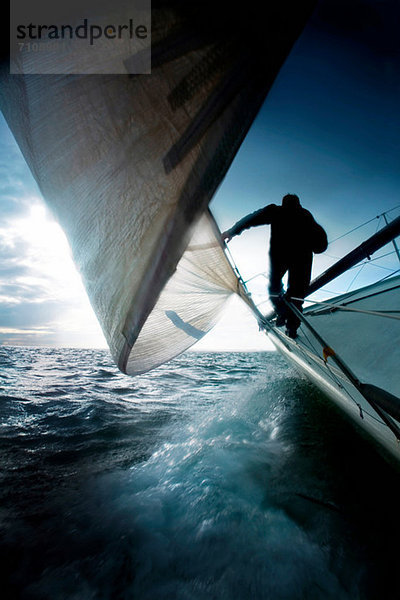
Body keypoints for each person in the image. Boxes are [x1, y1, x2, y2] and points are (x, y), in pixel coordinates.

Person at [222, 194, 327, 338]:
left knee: (275, 288)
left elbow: (252, 219)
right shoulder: (305, 215)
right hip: (301, 257)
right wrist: (317, 247)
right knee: (296, 295)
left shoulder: (276, 211)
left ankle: (283, 313)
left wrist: (231, 232)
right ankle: (291, 327)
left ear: (283, 203)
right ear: (299, 204)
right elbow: (321, 242)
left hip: (282, 256)